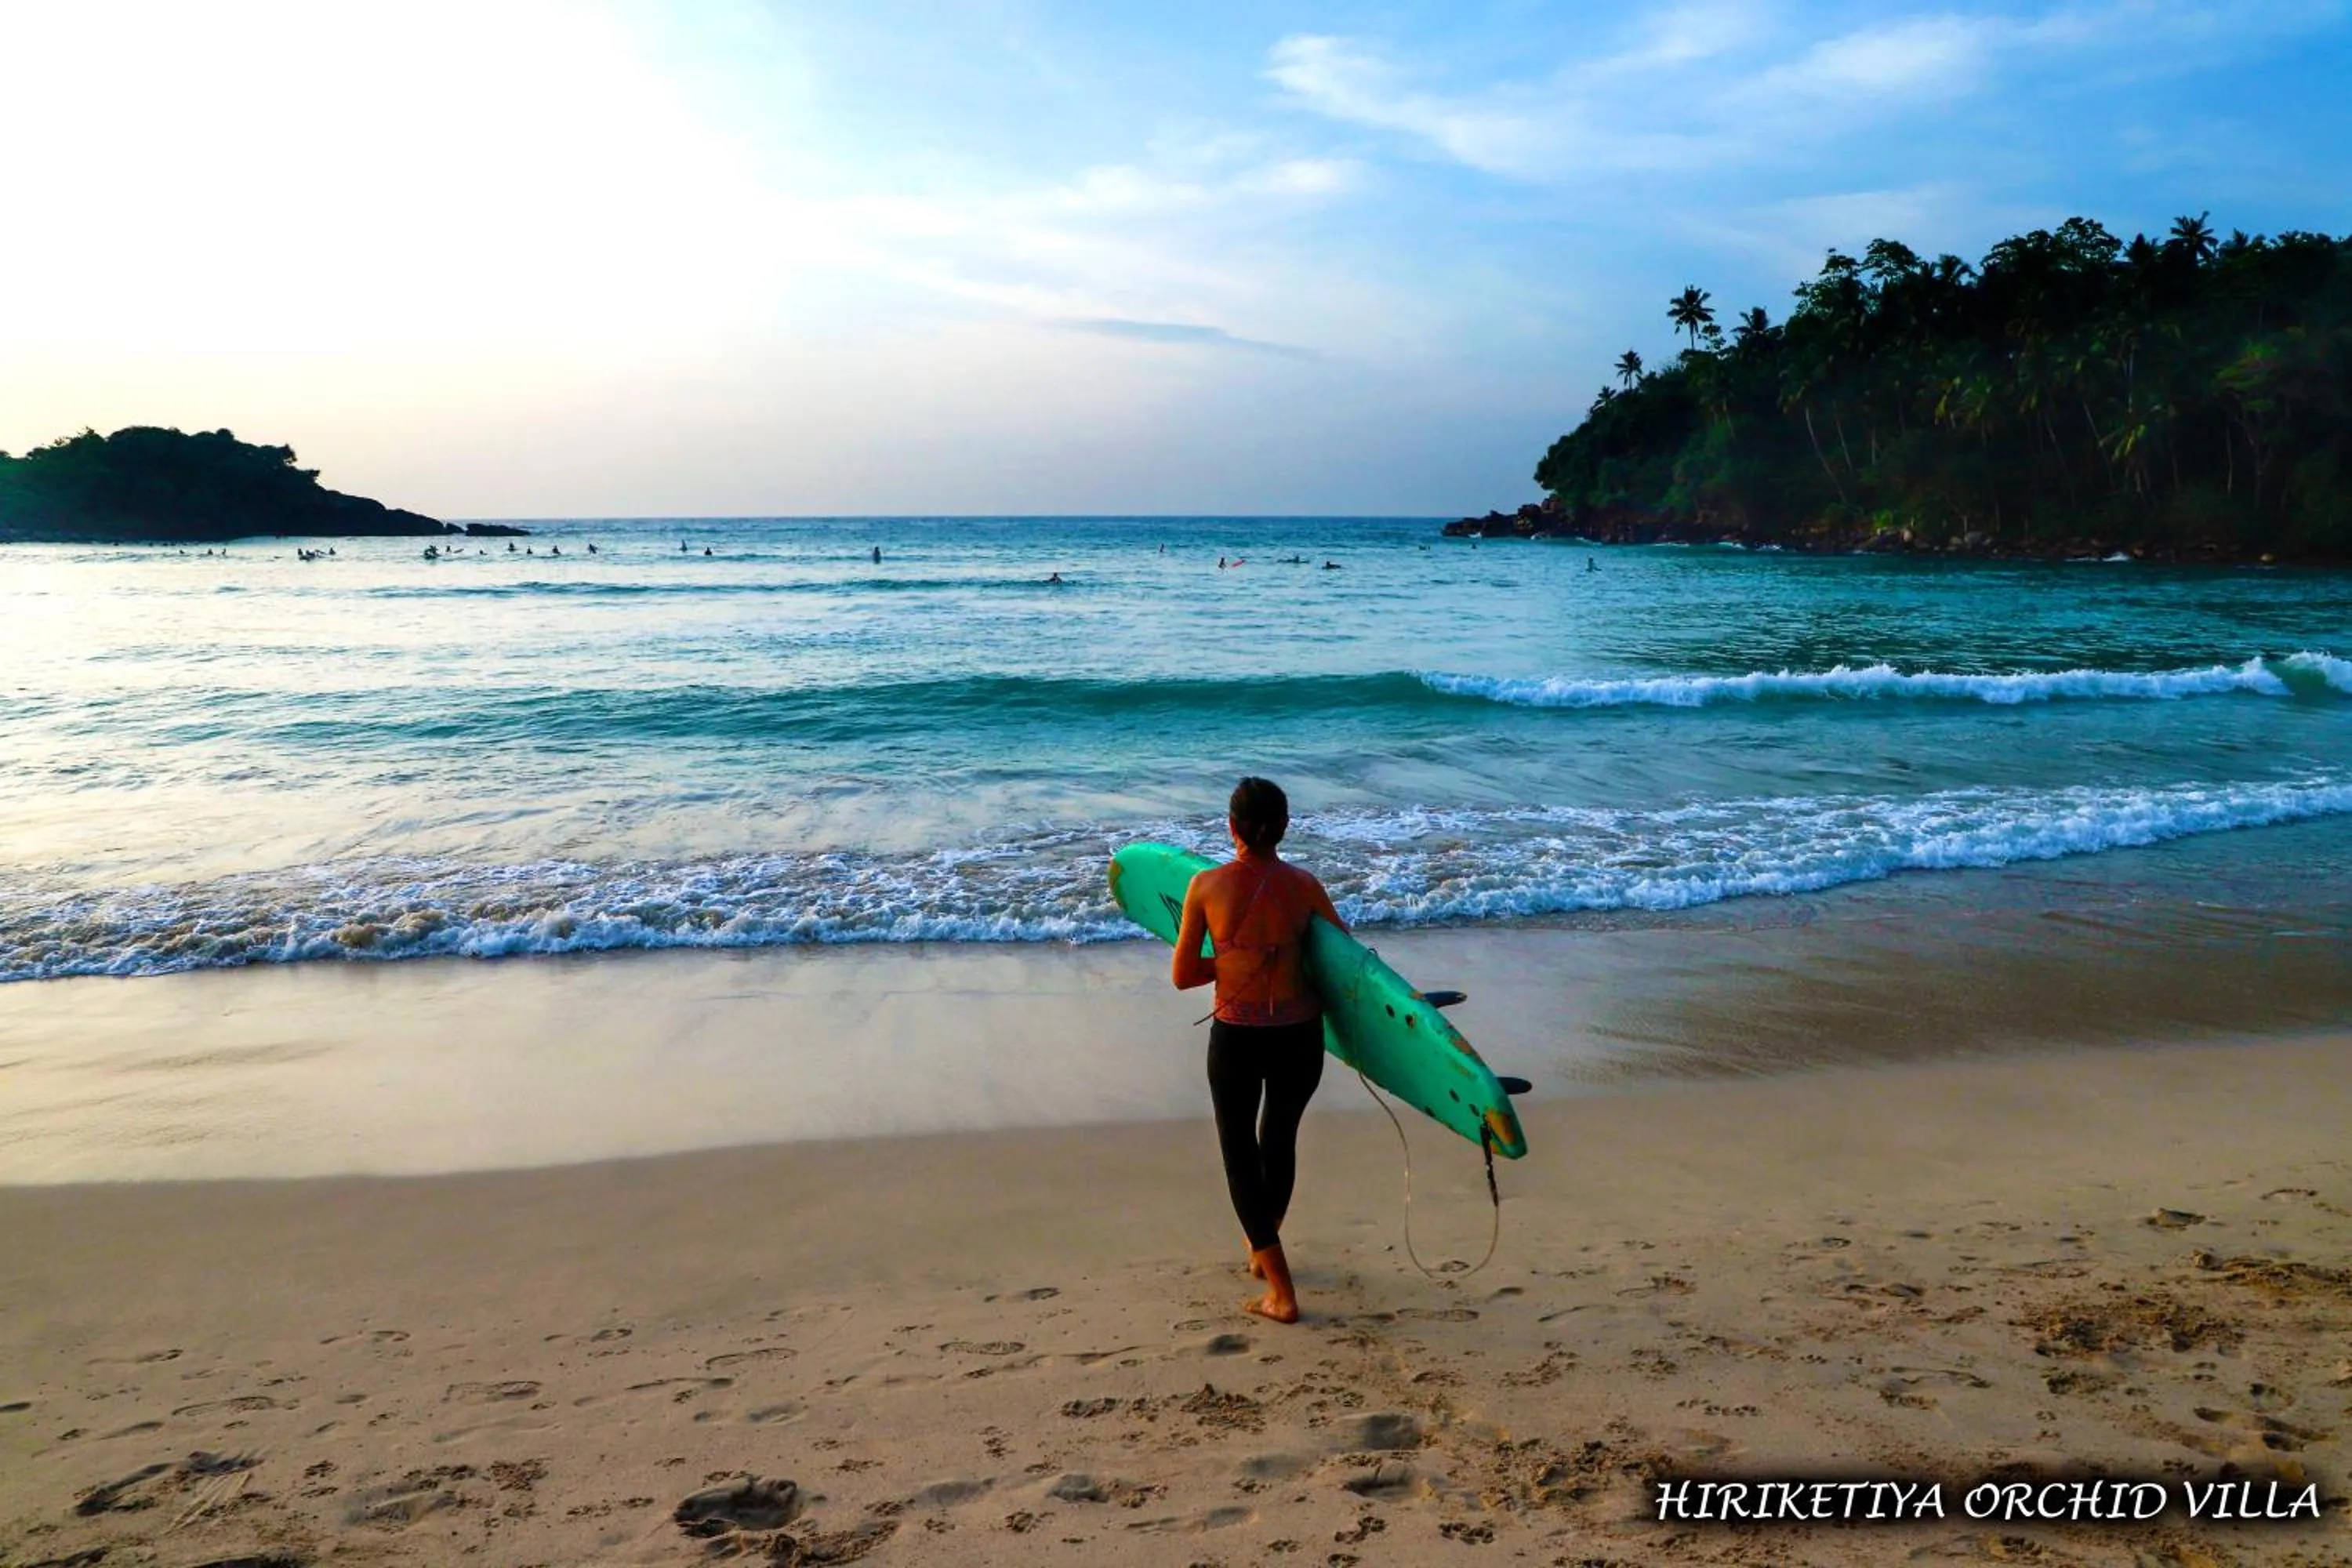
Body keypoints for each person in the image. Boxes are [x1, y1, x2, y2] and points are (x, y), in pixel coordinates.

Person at [1171, 777, 1346, 1323]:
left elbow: (1183, 976)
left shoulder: (1205, 886)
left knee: (1240, 1155)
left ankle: (1282, 1293)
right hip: (1300, 1038)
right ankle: (1261, 1246)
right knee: (1279, 1140)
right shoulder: (1306, 886)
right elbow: (1341, 965)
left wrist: (1228, 962)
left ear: (1231, 828)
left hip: (1238, 1038)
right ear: (1285, 828)